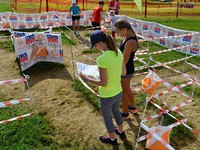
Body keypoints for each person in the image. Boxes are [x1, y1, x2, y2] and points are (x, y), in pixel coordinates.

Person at [80, 30, 127, 144]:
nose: (96, 48)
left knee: (107, 117)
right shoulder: (118, 52)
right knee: (116, 112)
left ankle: (112, 138)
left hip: (106, 95)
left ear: (99, 44)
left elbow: (103, 83)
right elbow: (124, 72)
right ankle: (121, 131)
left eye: (95, 46)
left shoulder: (101, 59)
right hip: (118, 90)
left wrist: (88, 79)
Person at [114, 19, 138, 120]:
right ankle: (132, 107)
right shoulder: (127, 37)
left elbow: (124, 60)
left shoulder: (130, 42)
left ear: (124, 29)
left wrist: (115, 69)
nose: (117, 34)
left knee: (124, 91)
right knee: (127, 89)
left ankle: (125, 113)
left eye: (118, 31)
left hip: (126, 70)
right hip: (127, 69)